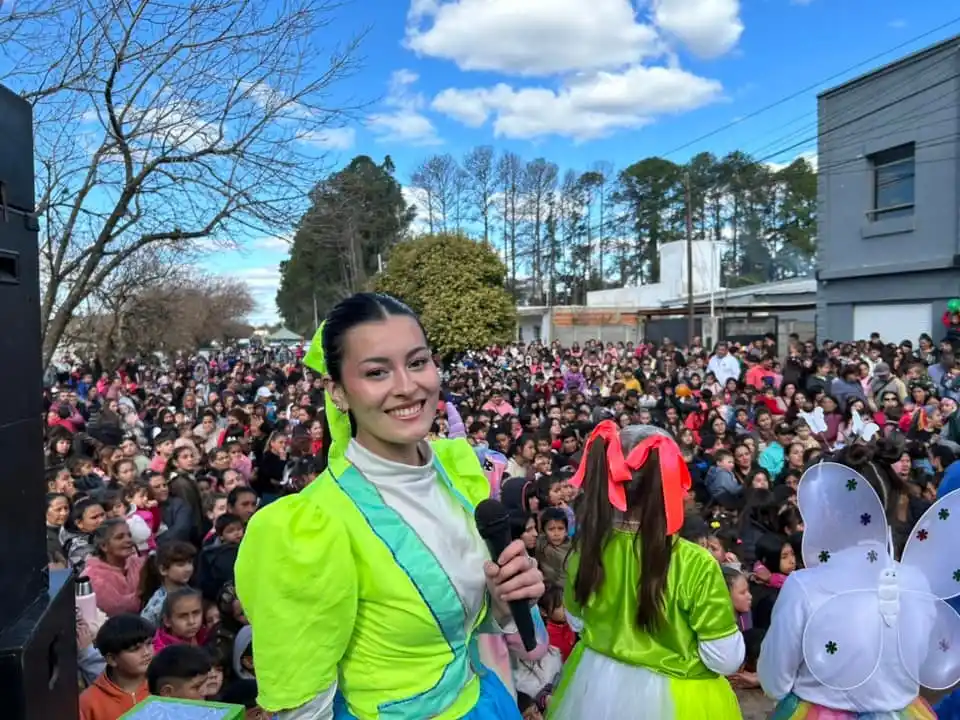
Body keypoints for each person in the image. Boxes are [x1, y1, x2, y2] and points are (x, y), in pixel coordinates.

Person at [235, 293, 544, 720]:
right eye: (377, 371)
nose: (407, 385)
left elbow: (457, 623)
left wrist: (503, 603)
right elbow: (305, 708)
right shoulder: (310, 525)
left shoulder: (457, 474)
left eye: (417, 362)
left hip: (483, 703)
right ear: (338, 392)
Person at [548, 420, 744, 719]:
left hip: (597, 688)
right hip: (678, 698)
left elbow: (576, 621)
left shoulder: (585, 550)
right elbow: (725, 658)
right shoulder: (695, 562)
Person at [757, 452, 960, 717]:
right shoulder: (917, 582)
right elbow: (916, 665)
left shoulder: (804, 587)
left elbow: (775, 681)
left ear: (828, 511)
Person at [78, 614, 153, 720]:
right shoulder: (89, 702)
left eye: (149, 643)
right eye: (135, 649)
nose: (146, 652)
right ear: (112, 659)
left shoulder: (163, 685)